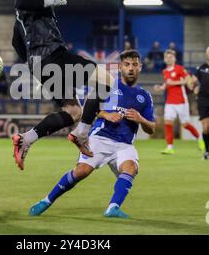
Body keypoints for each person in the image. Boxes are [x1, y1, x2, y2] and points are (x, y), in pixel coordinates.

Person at [11, 0, 113, 170]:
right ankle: (82, 134)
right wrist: (50, 0)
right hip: (53, 57)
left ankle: (26, 139)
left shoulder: (25, 15)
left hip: (40, 63)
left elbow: (16, 42)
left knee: (73, 112)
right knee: (106, 79)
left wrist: (33, 63)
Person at [28, 50, 156, 218]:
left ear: (140, 67)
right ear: (120, 67)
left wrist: (141, 119)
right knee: (81, 172)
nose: (130, 68)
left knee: (130, 168)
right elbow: (89, 108)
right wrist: (106, 115)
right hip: (100, 138)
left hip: (124, 144)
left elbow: (151, 128)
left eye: (134, 65)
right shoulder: (109, 84)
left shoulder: (144, 96)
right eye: (127, 65)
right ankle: (46, 200)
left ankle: (113, 208)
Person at [153, 50, 204, 154]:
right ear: (164, 59)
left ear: (174, 58)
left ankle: (199, 138)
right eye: (167, 57)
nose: (169, 59)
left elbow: (188, 80)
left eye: (171, 57)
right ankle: (170, 147)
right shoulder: (165, 71)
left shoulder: (180, 69)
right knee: (168, 122)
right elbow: (167, 84)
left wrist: (174, 82)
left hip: (181, 101)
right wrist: (160, 87)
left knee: (185, 125)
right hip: (170, 102)